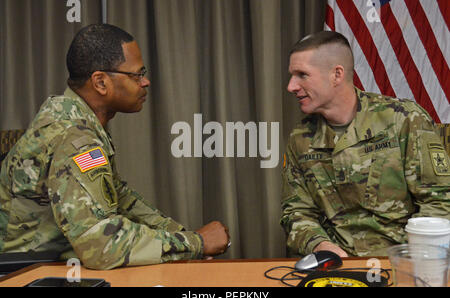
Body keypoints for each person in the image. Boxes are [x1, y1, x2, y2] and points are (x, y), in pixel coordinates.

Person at [0, 24, 230, 270]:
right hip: (25, 272)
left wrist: (182, 237)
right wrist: (196, 243)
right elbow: (101, 247)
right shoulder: (75, 138)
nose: (146, 82)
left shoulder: (74, 115)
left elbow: (119, 199)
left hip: (53, 262)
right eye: (137, 75)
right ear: (100, 82)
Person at [280, 31, 450, 258]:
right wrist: (320, 246)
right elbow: (296, 212)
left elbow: (440, 201)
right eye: (292, 75)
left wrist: (407, 258)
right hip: (336, 266)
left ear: (336, 75)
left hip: (402, 262)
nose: (291, 86)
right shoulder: (300, 139)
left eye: (302, 75)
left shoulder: (402, 120)